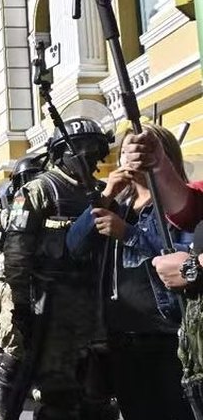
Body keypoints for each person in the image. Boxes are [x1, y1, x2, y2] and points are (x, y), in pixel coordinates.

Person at [64, 123, 193, 420]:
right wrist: (106, 194)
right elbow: (75, 245)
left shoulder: (178, 206)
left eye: (137, 152)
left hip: (167, 340)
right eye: (125, 153)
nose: (130, 160)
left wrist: (129, 234)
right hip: (122, 340)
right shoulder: (119, 206)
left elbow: (182, 257)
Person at [0, 115, 115, 420]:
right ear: (62, 152)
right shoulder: (40, 190)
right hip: (51, 310)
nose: (89, 158)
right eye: (82, 150)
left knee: (98, 397)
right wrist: (21, 306)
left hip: (97, 308)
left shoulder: (103, 192)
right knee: (57, 396)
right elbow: (16, 253)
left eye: (94, 150)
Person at [123, 127, 203, 415]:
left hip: (167, 334)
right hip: (132, 339)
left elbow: (181, 237)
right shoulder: (122, 204)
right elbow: (188, 211)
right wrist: (158, 163)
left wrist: (195, 267)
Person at [0, 154, 45, 420]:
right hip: (7, 293)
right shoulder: (14, 207)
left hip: (39, 289)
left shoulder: (47, 200)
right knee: (9, 357)